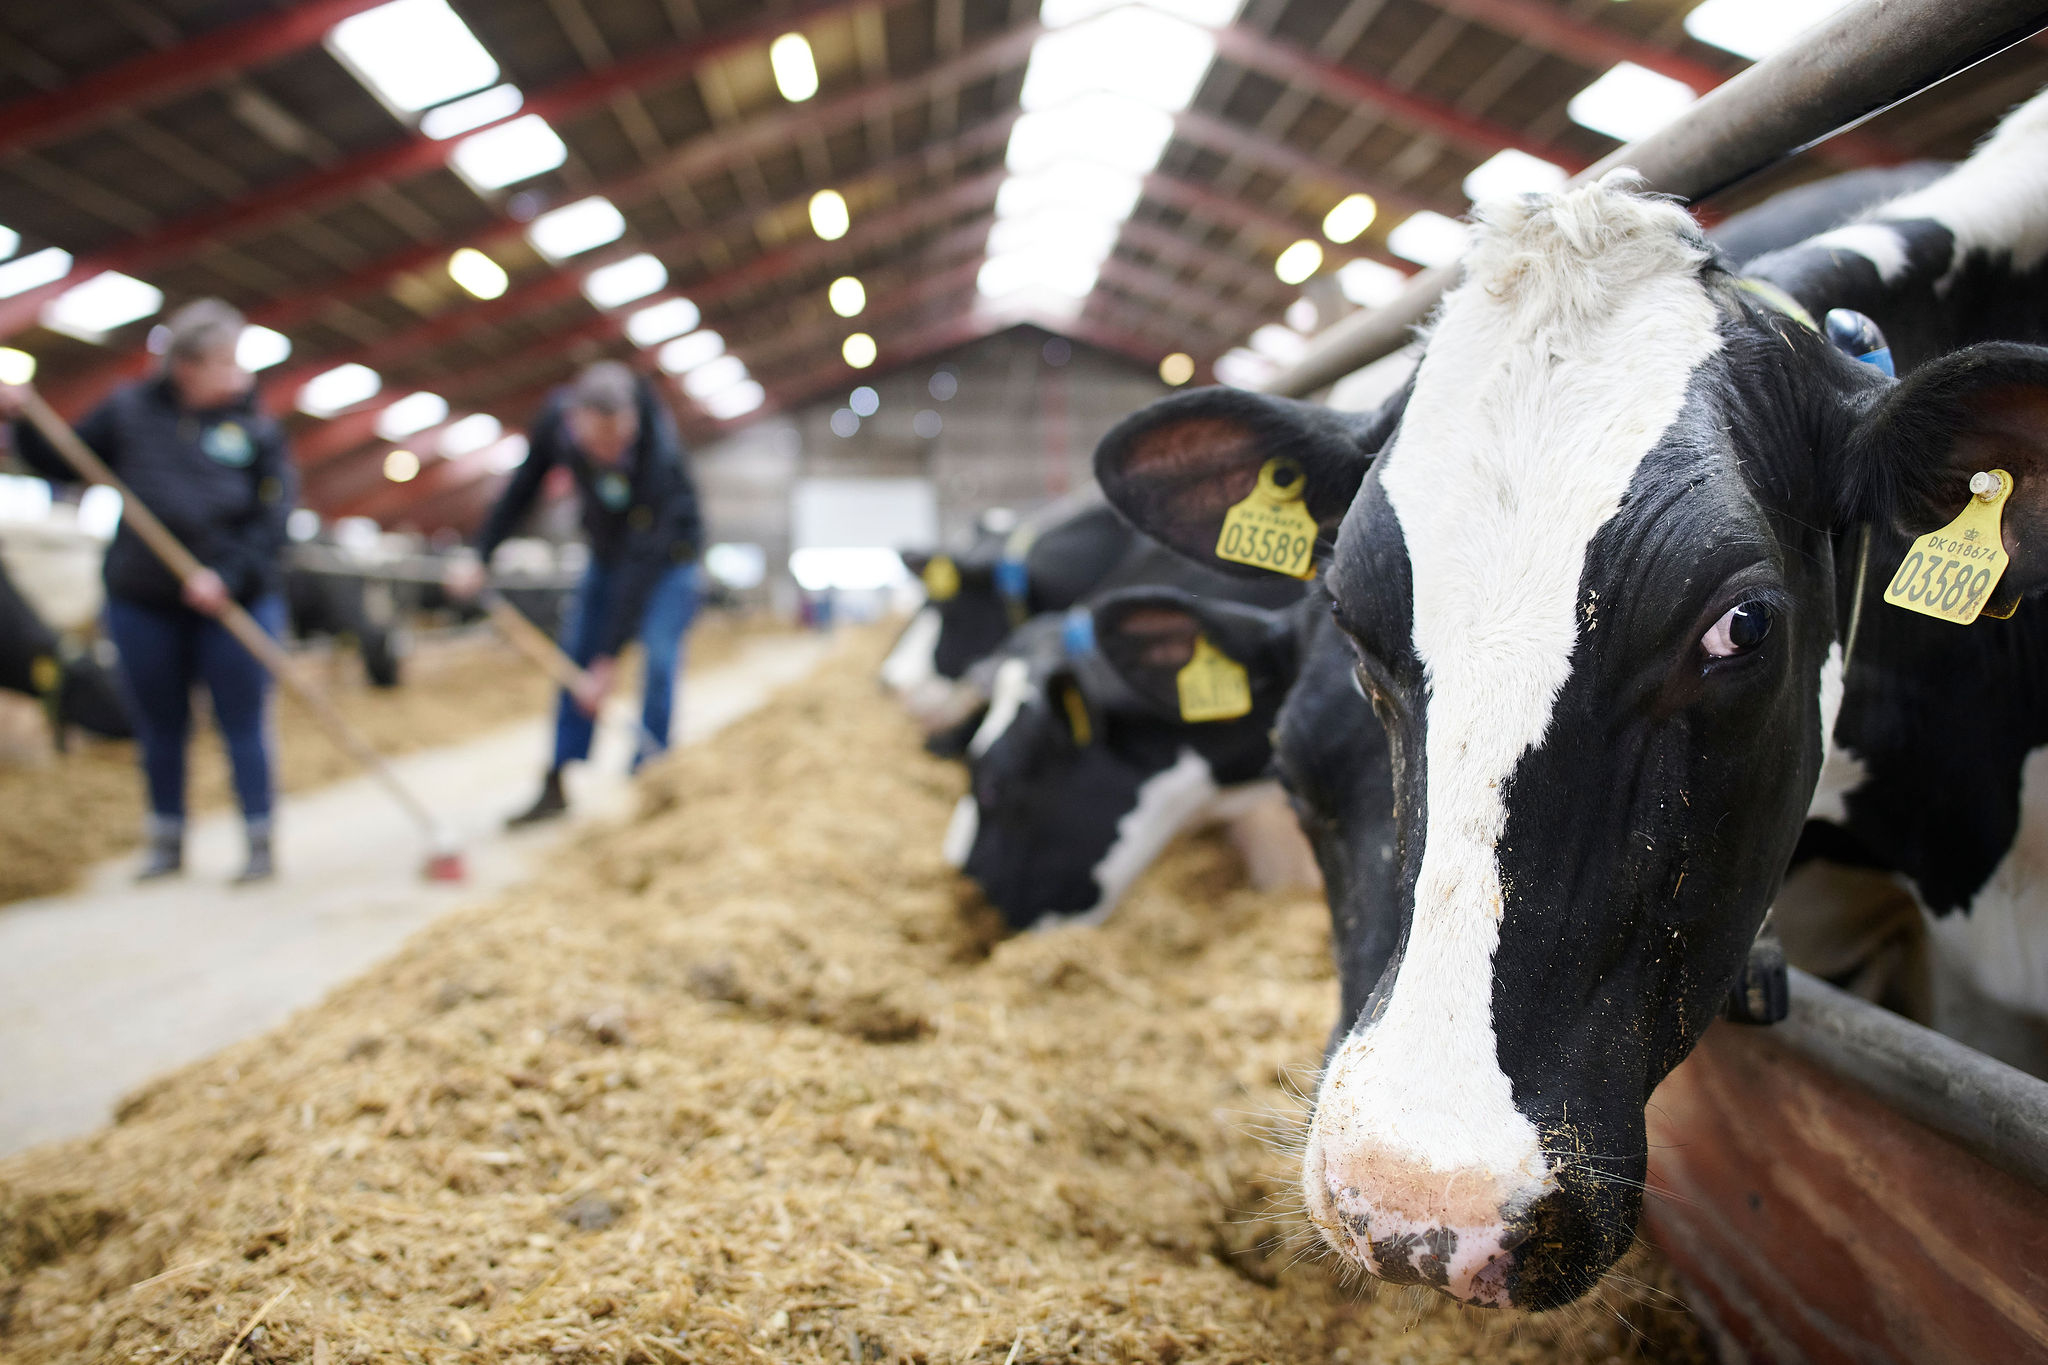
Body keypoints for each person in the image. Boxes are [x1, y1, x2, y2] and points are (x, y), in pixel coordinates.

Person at [2, 298, 297, 882]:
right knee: (160, 722)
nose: (241, 374)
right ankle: (167, 839)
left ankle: (258, 837)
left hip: (231, 598)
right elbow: (63, 463)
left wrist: (229, 578)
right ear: (187, 365)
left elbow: (273, 522)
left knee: (241, 718)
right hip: (143, 594)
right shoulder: (128, 410)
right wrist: (24, 418)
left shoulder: (256, 427)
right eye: (227, 361)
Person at [446, 361, 702, 825]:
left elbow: (642, 563)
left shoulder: (656, 454)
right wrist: (480, 555)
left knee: (659, 660)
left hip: (665, 560)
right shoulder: (554, 423)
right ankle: (557, 781)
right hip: (606, 553)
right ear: (575, 420)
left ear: (633, 422)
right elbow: (522, 488)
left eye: (618, 441)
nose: (608, 451)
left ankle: (651, 781)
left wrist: (609, 658)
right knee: (572, 662)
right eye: (599, 441)